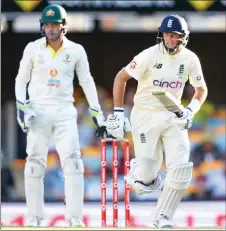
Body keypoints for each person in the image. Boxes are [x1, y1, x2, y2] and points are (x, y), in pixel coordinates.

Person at [106, 15, 208, 228]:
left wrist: (190, 110)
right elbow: (120, 77)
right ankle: (140, 172)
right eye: (168, 35)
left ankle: (163, 218)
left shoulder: (190, 59)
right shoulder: (148, 56)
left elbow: (201, 90)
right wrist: (117, 112)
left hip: (173, 115)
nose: (171, 39)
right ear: (162, 35)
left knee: (180, 170)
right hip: (145, 114)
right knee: (146, 180)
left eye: (176, 36)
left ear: (184, 37)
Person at [15, 4, 107, 227]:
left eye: (55, 24)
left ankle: (75, 218)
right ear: (42, 27)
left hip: (65, 109)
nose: (51, 28)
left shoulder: (76, 50)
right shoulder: (33, 48)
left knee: (73, 163)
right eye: (47, 24)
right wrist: (22, 107)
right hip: (38, 108)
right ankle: (34, 218)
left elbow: (86, 81)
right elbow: (21, 79)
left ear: (63, 25)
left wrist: (97, 112)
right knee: (35, 163)